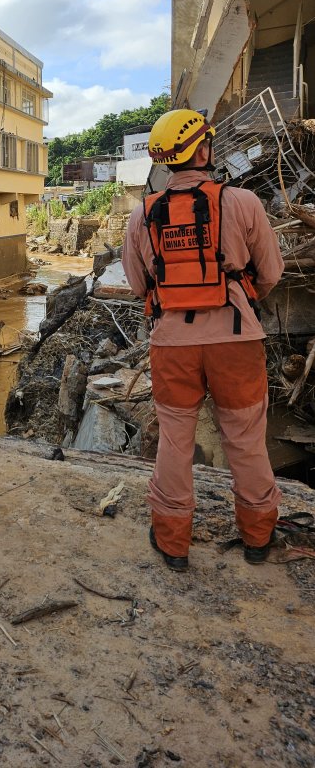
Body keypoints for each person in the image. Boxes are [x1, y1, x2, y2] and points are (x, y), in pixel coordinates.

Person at [122, 108, 284, 571]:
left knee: (174, 440)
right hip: (236, 339)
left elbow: (139, 286)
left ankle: (173, 542)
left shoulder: (143, 215)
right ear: (203, 149)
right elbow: (270, 273)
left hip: (171, 343)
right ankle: (257, 536)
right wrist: (242, 297)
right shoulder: (243, 202)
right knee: (247, 439)